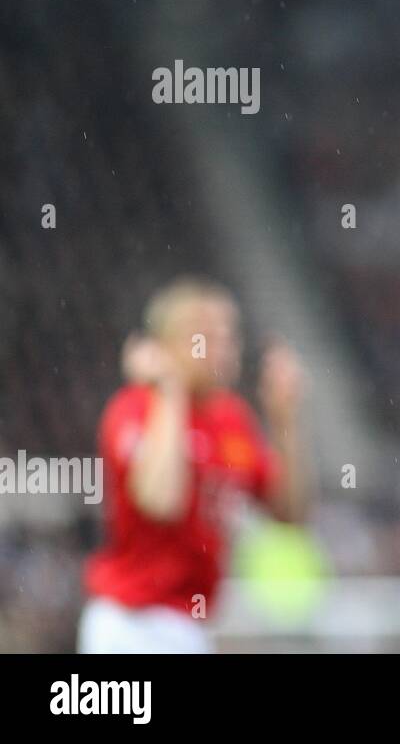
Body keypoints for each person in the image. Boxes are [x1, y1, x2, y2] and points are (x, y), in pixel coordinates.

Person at [79, 277, 310, 653]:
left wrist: (285, 422)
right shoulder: (135, 407)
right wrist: (169, 392)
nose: (223, 348)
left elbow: (290, 513)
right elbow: (159, 501)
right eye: (204, 336)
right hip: (134, 621)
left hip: (189, 625)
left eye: (229, 335)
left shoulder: (233, 419)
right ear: (165, 345)